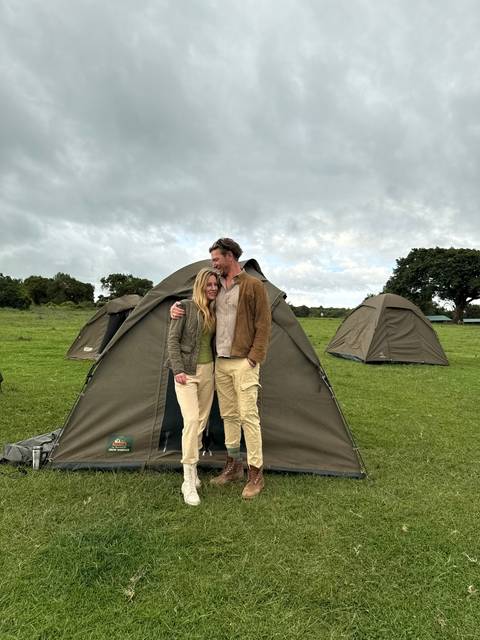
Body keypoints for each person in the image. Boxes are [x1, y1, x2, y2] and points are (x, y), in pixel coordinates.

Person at [172, 238, 271, 499]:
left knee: (248, 415)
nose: (213, 263)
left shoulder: (253, 286)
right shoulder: (217, 289)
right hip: (220, 364)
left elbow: (263, 324)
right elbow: (197, 306)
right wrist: (175, 309)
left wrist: (253, 357)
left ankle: (255, 475)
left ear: (230, 257)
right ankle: (233, 466)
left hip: (244, 362)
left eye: (216, 259)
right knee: (228, 415)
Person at [167, 267, 219, 506]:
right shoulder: (185, 307)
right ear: (200, 284)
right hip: (186, 374)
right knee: (191, 421)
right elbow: (172, 340)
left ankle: (194, 471)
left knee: (201, 424)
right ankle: (188, 480)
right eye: (209, 284)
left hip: (208, 372)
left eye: (216, 285)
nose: (213, 288)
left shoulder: (216, 310)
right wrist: (177, 369)